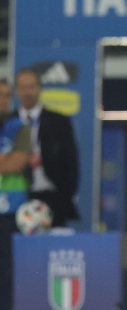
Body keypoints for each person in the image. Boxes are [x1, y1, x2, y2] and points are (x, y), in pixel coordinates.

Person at [13, 68, 78, 227]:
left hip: (53, 197)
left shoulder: (59, 121)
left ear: (40, 88)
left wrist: (65, 197)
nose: (27, 92)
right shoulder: (8, 122)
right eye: (23, 87)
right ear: (16, 91)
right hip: (17, 196)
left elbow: (71, 163)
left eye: (31, 87)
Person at [0, 80, 30, 310]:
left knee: (7, 276)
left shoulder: (19, 128)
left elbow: (16, 163)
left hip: (11, 211)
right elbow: (6, 162)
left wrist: (8, 162)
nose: (4, 99)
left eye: (7, 95)